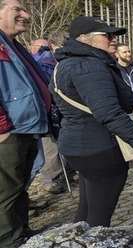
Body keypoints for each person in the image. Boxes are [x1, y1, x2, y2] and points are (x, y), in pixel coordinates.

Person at [50, 16, 133, 228]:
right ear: (84, 38)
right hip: (99, 149)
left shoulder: (66, 62)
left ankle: (78, 239)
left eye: (114, 35)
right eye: (106, 35)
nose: (113, 39)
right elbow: (108, 112)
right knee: (99, 219)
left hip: (79, 146)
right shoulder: (89, 66)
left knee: (87, 210)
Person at [0, 0, 53, 246]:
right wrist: (2, 129)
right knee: (6, 191)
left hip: (26, 127)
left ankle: (21, 232)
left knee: (19, 187)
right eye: (17, 9)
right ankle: (9, 240)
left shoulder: (12, 45)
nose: (26, 14)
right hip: (10, 132)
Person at [27, 38, 65, 195]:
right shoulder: (42, 62)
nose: (45, 50)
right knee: (50, 148)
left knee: (55, 146)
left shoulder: (45, 60)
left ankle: (58, 175)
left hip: (51, 111)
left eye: (46, 47)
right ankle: (49, 179)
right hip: (45, 112)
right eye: (42, 48)